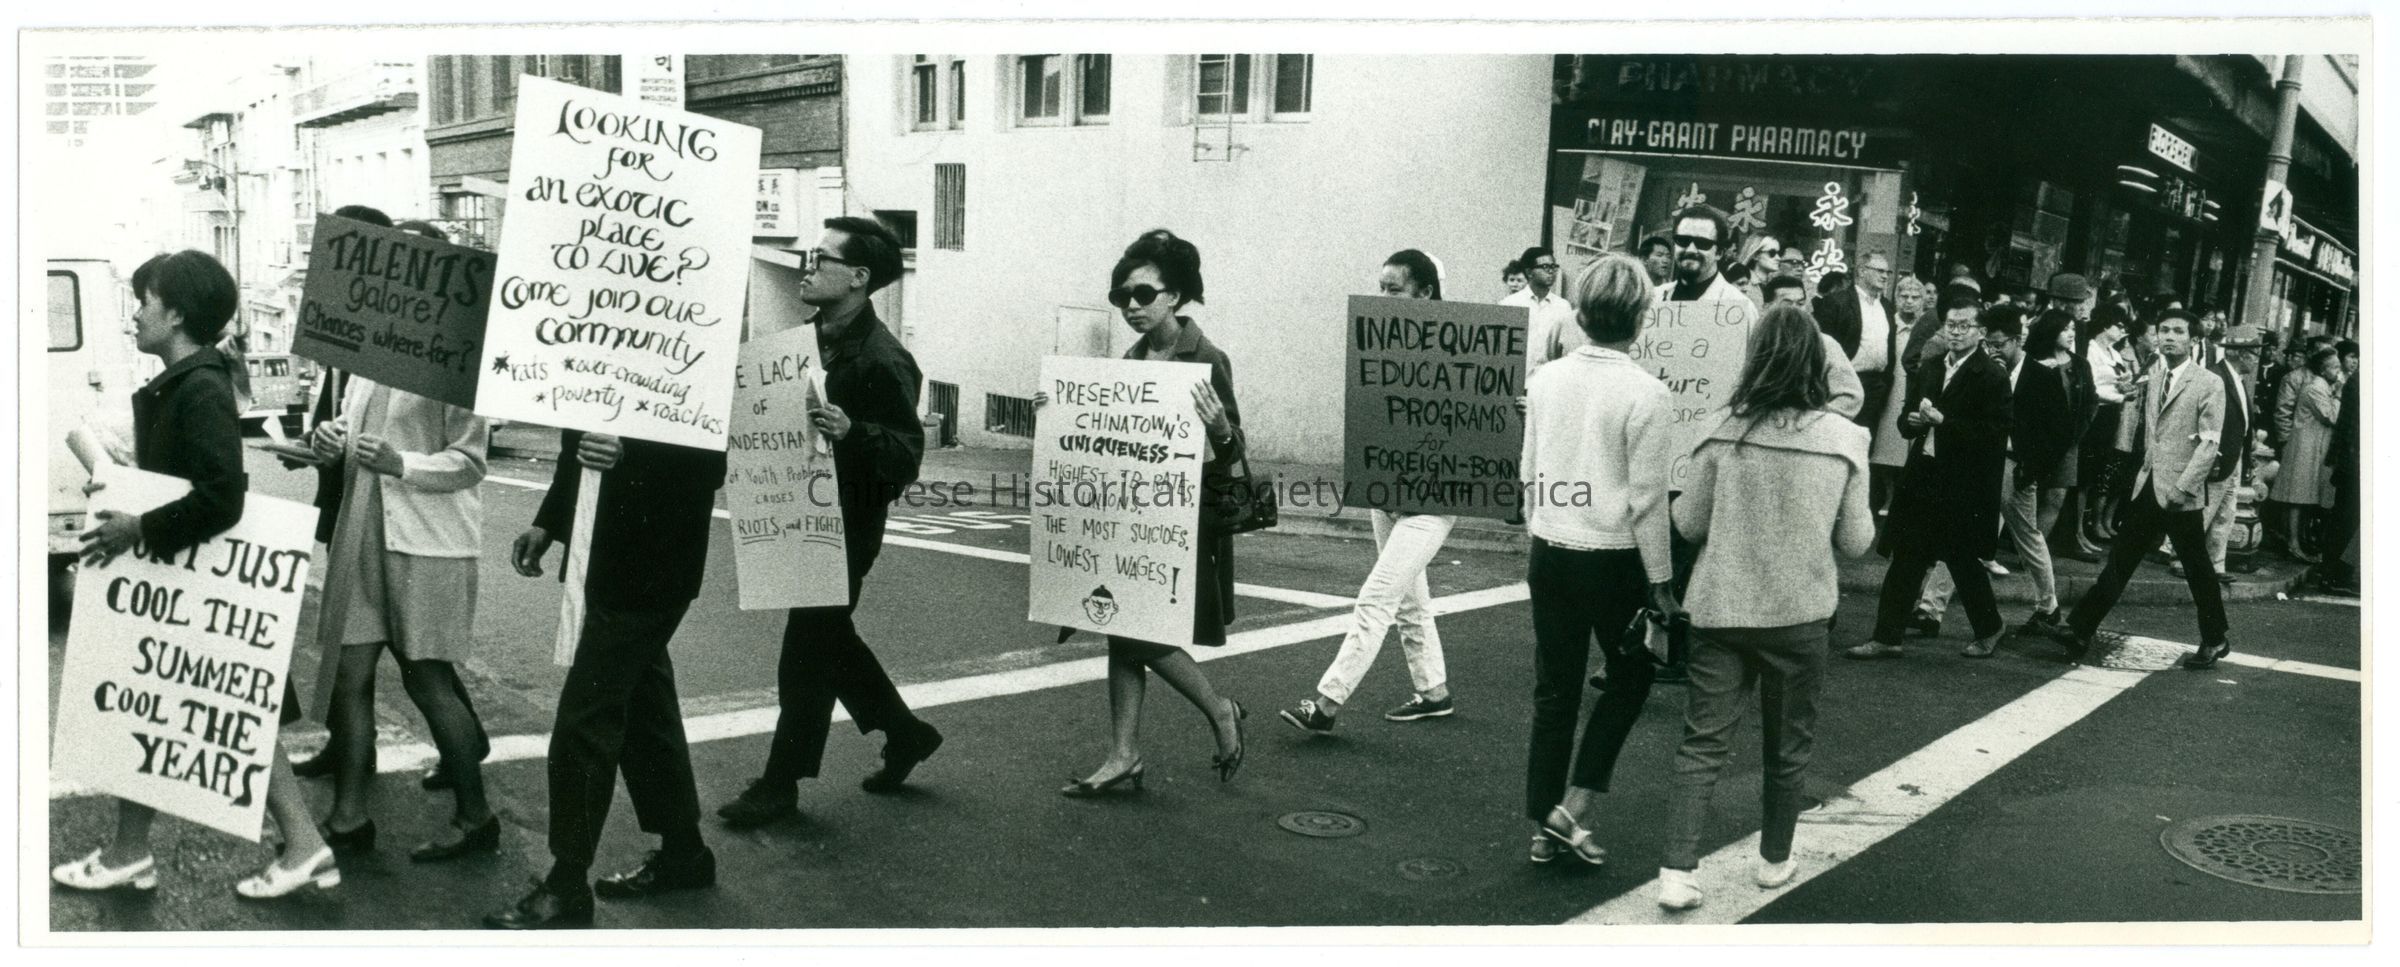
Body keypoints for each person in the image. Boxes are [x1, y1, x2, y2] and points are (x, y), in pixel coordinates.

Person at [52, 251, 342, 898]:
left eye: (145, 301)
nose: (135, 314)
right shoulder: (187, 381)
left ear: (177, 313)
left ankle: (292, 845)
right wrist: (124, 485)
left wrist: (140, 526)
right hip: (189, 583)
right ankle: (145, 850)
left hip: (196, 583)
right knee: (179, 711)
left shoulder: (200, 387)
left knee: (181, 710)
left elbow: (220, 496)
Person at [718, 218, 944, 828]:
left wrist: (854, 432)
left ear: (858, 277)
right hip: (796, 514)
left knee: (807, 650)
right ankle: (906, 733)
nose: (807, 266)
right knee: (828, 640)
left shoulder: (884, 359)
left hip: (845, 528)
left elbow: (904, 457)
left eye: (821, 259)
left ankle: (781, 783)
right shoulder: (802, 343)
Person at [1655, 304, 1875, 910]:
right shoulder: (1845, 439)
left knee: (1702, 743)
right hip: (1800, 613)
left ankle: (1677, 871)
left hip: (1721, 608)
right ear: (1818, 363)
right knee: (1788, 746)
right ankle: (1775, 859)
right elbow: (1856, 541)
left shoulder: (1720, 427)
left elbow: (1688, 523)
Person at [485, 429, 730, 920]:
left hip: (654, 566)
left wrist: (627, 456)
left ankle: (568, 882)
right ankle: (684, 852)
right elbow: (577, 448)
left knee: (585, 718)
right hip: (600, 562)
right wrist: (549, 522)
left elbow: (709, 467)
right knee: (644, 707)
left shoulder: (700, 379)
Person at [1057, 229, 1249, 797]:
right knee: (1120, 628)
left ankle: (1218, 709)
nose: (1132, 306)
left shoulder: (1207, 358)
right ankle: (1124, 754)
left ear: (1176, 296)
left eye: (1144, 294)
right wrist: (1058, 412)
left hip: (1182, 522)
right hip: (1131, 519)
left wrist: (1221, 428)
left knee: (1133, 630)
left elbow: (1234, 450)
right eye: (1123, 297)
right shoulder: (1132, 359)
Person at [1519, 253, 1683, 865]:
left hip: (1551, 548)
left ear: (1581, 314)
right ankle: (1573, 805)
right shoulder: (1649, 393)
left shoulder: (1545, 381)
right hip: (1615, 559)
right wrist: (1661, 582)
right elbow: (1647, 500)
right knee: (1631, 678)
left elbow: (1528, 471)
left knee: (1555, 690)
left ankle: (1544, 822)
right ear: (1641, 317)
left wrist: (1541, 528)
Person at [306, 368, 495, 863]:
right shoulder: (366, 367)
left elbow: (471, 462)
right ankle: (348, 817)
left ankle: (476, 817)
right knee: (348, 676)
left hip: (426, 544)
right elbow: (348, 434)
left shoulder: (454, 368)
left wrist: (400, 463)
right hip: (358, 535)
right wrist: (328, 440)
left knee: (428, 681)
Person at [1281, 251, 1460, 735]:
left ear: (1425, 292)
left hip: (1433, 500)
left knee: (1376, 597)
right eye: (1380, 287)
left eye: (1393, 289)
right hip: (1389, 493)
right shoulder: (1381, 343)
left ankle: (1326, 703)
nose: (1382, 297)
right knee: (1408, 600)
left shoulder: (1457, 346)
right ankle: (1434, 691)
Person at [2054, 310, 2231, 669]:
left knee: (2197, 568)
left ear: (2193, 340)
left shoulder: (2209, 382)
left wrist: (2184, 487)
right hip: (2148, 485)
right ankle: (2079, 630)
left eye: (2178, 331)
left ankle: (2215, 639)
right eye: (2163, 330)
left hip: (2180, 493)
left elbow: (2210, 443)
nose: (2169, 337)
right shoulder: (2156, 374)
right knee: (2120, 561)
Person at [1846, 291, 2011, 660]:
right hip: (1924, 474)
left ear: (1980, 331)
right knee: (1907, 555)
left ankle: (1990, 626)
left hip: (1962, 483)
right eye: (1951, 325)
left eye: (1964, 326)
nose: (1956, 332)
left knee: (1962, 559)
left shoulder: (1992, 375)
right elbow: (1905, 420)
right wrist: (1912, 422)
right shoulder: (1932, 366)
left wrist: (1944, 422)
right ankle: (1887, 636)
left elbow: (1994, 434)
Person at [1907, 307, 2074, 639]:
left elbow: (2059, 431)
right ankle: (1930, 609)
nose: (1994, 350)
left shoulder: (2040, 376)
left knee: (2026, 536)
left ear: (2016, 340)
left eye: (1999, 344)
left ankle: (2048, 606)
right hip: (1977, 461)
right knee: (1959, 532)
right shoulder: (1980, 372)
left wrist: (2032, 468)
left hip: (2013, 465)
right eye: (1989, 344)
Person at [2062, 304, 2137, 562]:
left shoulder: (2114, 353)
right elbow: (2091, 388)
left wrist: (2128, 388)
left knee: (2092, 476)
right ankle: (2075, 532)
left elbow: (2120, 383)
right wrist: (2119, 396)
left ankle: (2081, 532)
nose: (2123, 330)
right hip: (2095, 415)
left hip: (2110, 417)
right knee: (2082, 475)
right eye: (2119, 325)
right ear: (2106, 325)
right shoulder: (2091, 350)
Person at [2184, 323, 2256, 585]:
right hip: (2219, 454)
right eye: (2253, 353)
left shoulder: (2235, 379)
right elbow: (2208, 420)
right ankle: (2182, 558)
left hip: (2233, 455)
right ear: (2240, 354)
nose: (2255, 359)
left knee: (2225, 511)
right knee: (2205, 509)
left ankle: (2215, 563)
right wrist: (2212, 454)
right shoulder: (2217, 377)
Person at [2267, 347, 2343, 563]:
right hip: (2305, 449)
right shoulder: (2315, 389)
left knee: (2302, 497)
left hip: (2311, 448)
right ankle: (2293, 543)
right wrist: (2338, 395)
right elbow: (2331, 416)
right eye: (2334, 367)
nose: (2338, 372)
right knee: (2297, 498)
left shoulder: (2321, 387)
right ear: (2322, 369)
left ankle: (2295, 541)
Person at [1870, 275, 1937, 512]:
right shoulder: (1889, 322)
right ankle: (1888, 494)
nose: (1909, 301)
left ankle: (1903, 497)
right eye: (1904, 296)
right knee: (1886, 443)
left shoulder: (1927, 326)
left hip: (1914, 386)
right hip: (1891, 387)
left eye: (1915, 297)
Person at [1814, 251, 1899, 430]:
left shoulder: (1887, 306)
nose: (1885, 276)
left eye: (1887, 272)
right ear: (1861, 271)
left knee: (1866, 438)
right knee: (1839, 434)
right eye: (1880, 271)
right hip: (1845, 381)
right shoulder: (1837, 302)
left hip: (1876, 385)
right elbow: (1822, 347)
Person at [2316, 352, 2361, 594]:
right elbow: (2349, 427)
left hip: (2353, 461)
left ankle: (2337, 573)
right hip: (2355, 463)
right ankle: (2332, 575)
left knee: (2348, 519)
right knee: (2346, 520)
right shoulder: (2363, 381)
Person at [1503, 246, 1582, 374]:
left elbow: (1567, 347)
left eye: (1553, 267)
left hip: (1549, 378)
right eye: (1545, 267)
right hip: (1517, 376)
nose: (1551, 271)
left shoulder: (1563, 306)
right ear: (1529, 272)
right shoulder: (1510, 303)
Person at [1731, 233, 1781, 305]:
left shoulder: (1775, 283)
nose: (1778, 258)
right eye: (1772, 253)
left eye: (1779, 253)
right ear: (1756, 255)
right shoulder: (1741, 283)